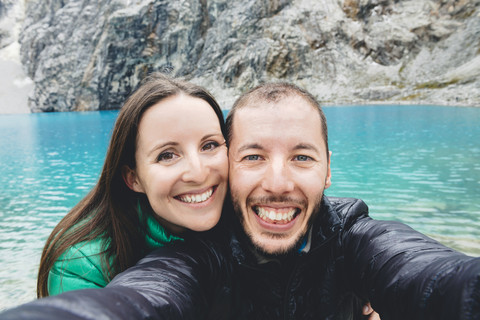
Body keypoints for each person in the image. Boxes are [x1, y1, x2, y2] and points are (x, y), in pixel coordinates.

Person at [2, 82, 479, 319]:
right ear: (134, 178)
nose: (277, 182)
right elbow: (142, 297)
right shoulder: (199, 250)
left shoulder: (350, 234)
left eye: (302, 157)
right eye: (253, 156)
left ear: (329, 169)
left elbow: (425, 273)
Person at [36, 73, 229, 297]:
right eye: (167, 155)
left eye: (209, 145)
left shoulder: (248, 216)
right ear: (133, 179)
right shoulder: (81, 266)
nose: (198, 172)